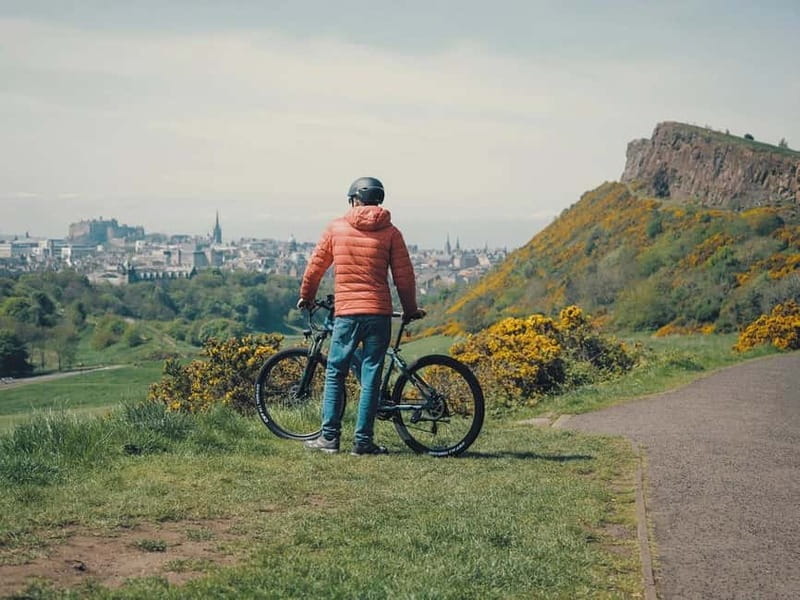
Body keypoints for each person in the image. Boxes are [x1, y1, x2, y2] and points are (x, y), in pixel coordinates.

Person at [297, 176, 424, 455]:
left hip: (347, 313)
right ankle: (363, 442)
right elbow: (404, 277)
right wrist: (410, 308)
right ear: (378, 200)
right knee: (371, 377)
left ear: (354, 200)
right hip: (379, 312)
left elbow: (315, 268)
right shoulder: (391, 232)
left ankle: (329, 438)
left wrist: (306, 297)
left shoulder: (336, 228)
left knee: (335, 372)